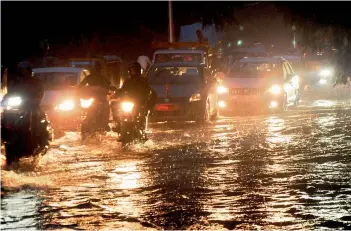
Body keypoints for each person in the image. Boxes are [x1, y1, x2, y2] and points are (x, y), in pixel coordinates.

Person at [6, 61, 49, 146]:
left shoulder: (36, 81)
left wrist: (37, 99)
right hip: (21, 106)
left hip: (34, 105)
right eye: (22, 70)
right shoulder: (16, 82)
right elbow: (11, 91)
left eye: (25, 70)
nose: (24, 71)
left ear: (29, 70)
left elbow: (41, 91)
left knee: (41, 118)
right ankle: (12, 138)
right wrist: (6, 97)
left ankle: (43, 139)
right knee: (9, 119)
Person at [79, 62, 111, 131]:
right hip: (90, 99)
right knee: (83, 110)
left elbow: (108, 86)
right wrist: (79, 91)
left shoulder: (103, 78)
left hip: (101, 99)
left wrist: (106, 90)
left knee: (106, 106)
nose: (97, 71)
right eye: (96, 69)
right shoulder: (89, 77)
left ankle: (105, 123)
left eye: (97, 69)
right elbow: (81, 86)